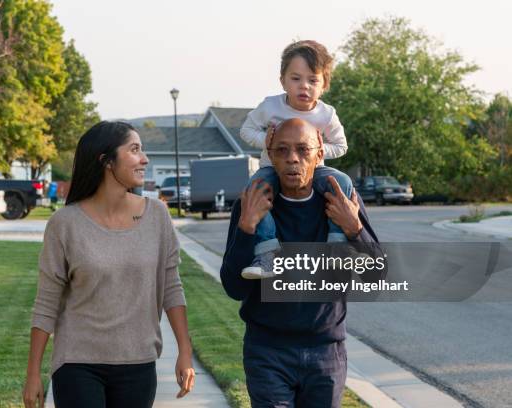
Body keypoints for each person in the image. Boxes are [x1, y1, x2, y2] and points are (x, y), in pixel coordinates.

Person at [22, 121, 195, 408]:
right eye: (135, 150)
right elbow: (46, 302)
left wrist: (184, 352)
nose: (145, 159)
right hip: (77, 363)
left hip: (138, 363)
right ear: (106, 161)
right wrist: (33, 375)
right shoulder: (65, 224)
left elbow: (171, 288)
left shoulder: (157, 216)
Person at [220, 118, 382, 408]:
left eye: (303, 150)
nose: (292, 158)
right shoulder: (252, 203)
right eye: (281, 150)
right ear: (270, 156)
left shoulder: (343, 202)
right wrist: (246, 227)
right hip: (267, 352)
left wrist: (354, 228)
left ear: (319, 153)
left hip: (326, 354)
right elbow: (234, 287)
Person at [240, 40, 355, 279]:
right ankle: (266, 254)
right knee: (255, 188)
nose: (304, 86)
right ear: (282, 80)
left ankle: (337, 246)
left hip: (316, 170)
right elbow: (246, 131)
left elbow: (341, 145)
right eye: (296, 78)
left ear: (324, 85)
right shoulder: (270, 106)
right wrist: (266, 141)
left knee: (342, 180)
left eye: (313, 80)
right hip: (272, 168)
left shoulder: (326, 114)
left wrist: (319, 151)